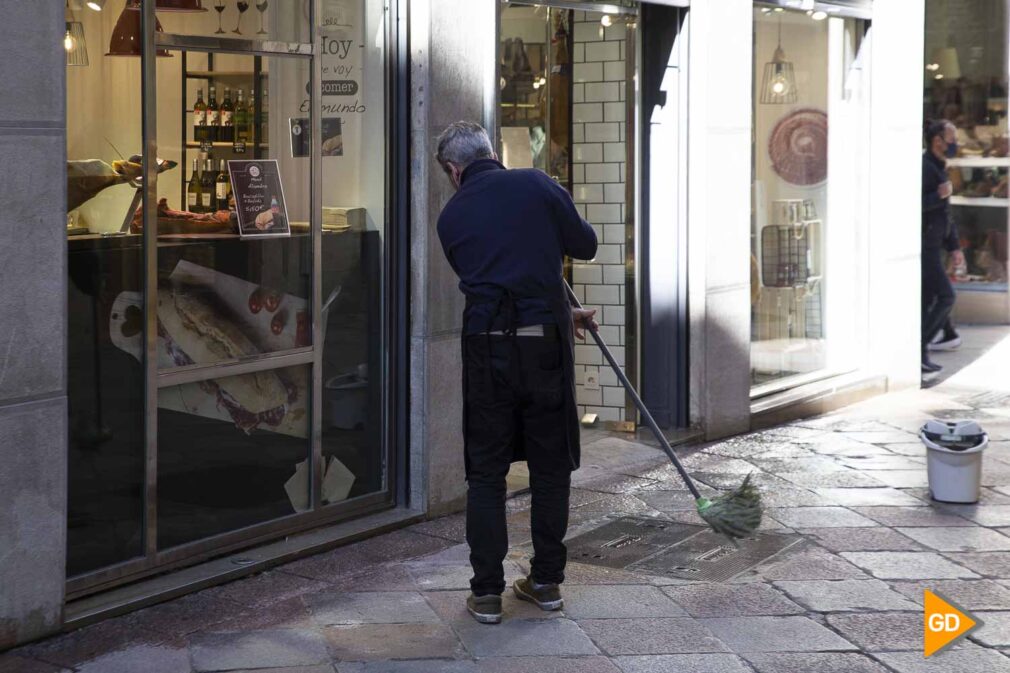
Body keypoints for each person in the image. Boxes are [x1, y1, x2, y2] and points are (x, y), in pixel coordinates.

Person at [435, 121, 598, 624]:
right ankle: (546, 582)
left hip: (488, 351)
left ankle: (486, 593)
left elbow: (490, 280)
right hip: (543, 348)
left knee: (486, 472)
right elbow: (585, 245)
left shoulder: (451, 216)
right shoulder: (536, 183)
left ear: (453, 169)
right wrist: (555, 306)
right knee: (550, 467)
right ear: (491, 152)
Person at [922, 119, 965, 372]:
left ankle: (921, 352)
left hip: (935, 244)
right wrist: (936, 196)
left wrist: (955, 247)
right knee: (947, 295)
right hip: (925, 246)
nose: (955, 144)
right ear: (938, 140)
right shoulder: (926, 168)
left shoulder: (939, 167)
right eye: (952, 138)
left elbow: (945, 214)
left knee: (928, 300)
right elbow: (911, 205)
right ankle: (920, 344)